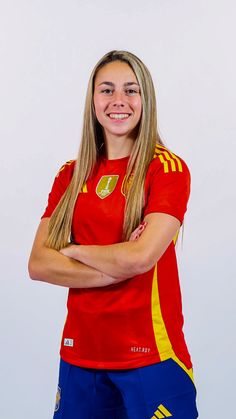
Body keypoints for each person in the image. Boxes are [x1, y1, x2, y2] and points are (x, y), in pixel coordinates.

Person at [28, 50, 198, 419]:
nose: (118, 101)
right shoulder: (70, 175)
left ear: (145, 100)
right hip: (79, 356)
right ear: (92, 101)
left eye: (130, 90)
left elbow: (140, 258)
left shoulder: (165, 169)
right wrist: (116, 262)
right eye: (107, 90)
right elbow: (39, 263)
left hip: (150, 356)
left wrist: (72, 251)